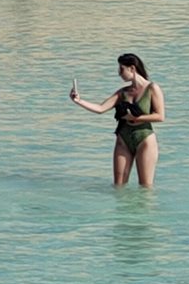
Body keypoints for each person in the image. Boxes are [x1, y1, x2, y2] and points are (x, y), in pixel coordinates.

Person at [70, 53, 165, 187]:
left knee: (145, 187)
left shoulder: (152, 88)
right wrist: (79, 101)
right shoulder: (123, 92)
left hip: (145, 139)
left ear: (132, 68)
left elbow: (160, 116)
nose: (119, 73)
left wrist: (136, 118)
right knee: (118, 186)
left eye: (121, 69)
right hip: (123, 139)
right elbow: (101, 108)